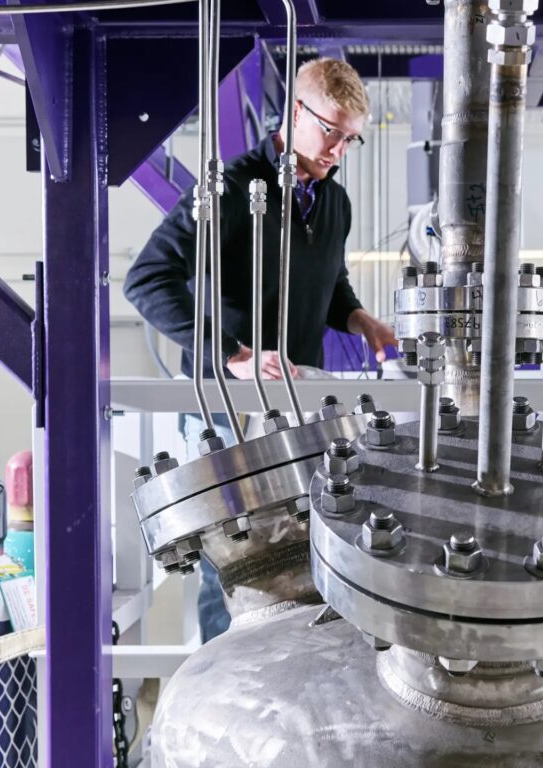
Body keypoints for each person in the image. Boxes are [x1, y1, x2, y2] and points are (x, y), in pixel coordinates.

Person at [124, 58, 396, 642]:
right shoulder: (228, 186)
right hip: (226, 403)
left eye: (351, 140)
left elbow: (327, 283)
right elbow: (147, 279)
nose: (338, 151)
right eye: (330, 132)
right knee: (236, 556)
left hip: (289, 404)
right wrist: (231, 353)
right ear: (296, 112)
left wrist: (359, 317)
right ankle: (226, 679)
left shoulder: (333, 202)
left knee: (301, 546)